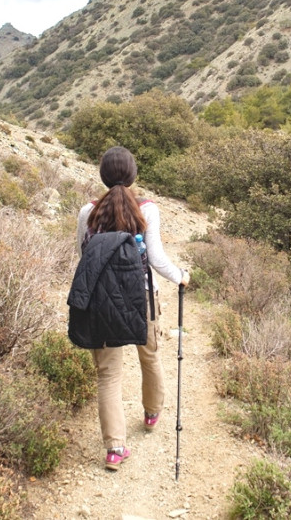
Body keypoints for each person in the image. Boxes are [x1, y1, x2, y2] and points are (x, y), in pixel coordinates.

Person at [76, 146, 190, 471]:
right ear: (133, 174)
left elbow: (83, 257)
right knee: (150, 357)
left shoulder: (88, 212)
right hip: (141, 298)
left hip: (101, 303)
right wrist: (180, 276)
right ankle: (152, 414)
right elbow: (155, 258)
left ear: (102, 175)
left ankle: (114, 449)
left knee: (108, 376)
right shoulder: (147, 210)